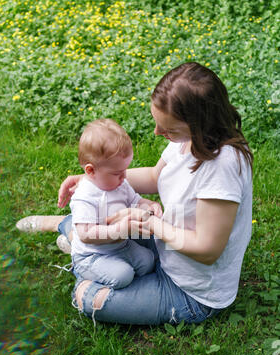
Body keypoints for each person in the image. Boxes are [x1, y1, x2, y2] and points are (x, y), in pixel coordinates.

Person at [17, 62, 253, 326]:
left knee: (88, 297)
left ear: (198, 124)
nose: (158, 133)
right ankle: (65, 229)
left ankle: (76, 247)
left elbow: (207, 250)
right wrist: (93, 179)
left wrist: (151, 223)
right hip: (167, 245)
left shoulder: (222, 168)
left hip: (192, 290)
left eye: (169, 129)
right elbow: (155, 176)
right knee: (99, 221)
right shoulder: (190, 140)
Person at [68, 118, 162, 290]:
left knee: (148, 261)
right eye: (117, 173)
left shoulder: (120, 184)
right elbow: (86, 233)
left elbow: (135, 201)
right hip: (93, 255)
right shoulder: (85, 196)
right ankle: (82, 274)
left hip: (121, 246)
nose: (124, 177)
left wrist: (148, 205)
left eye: (125, 170)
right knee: (123, 275)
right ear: (91, 170)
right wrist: (118, 230)